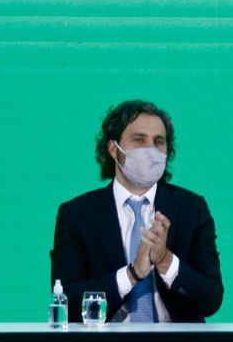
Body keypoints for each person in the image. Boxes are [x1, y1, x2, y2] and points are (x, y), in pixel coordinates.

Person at [50, 100, 223, 323]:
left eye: (158, 142)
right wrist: (131, 275)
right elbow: (66, 299)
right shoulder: (77, 214)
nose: (150, 150)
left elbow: (211, 299)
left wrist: (165, 261)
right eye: (139, 140)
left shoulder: (192, 208)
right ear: (114, 149)